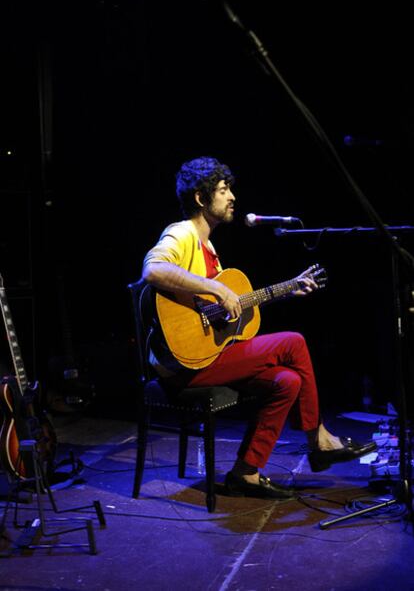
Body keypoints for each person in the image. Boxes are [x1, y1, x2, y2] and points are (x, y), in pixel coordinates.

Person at [142, 156, 376, 500]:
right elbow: (152, 269)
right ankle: (319, 439)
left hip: (208, 357)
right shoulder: (181, 233)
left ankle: (245, 472)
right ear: (200, 198)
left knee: (288, 380)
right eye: (223, 190)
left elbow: (221, 314)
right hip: (182, 366)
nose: (232, 196)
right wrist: (220, 290)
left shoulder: (209, 249)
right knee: (293, 342)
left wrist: (286, 289)